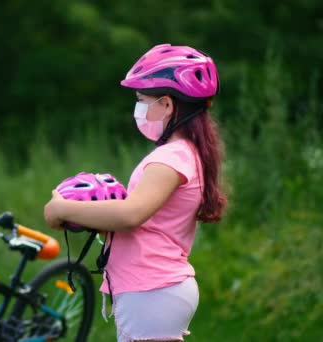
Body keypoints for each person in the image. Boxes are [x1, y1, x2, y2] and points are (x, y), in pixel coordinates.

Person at [44, 44, 227, 342]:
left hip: (152, 290)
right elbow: (144, 220)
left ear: (167, 105)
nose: (139, 108)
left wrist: (61, 209)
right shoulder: (187, 153)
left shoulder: (171, 158)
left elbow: (131, 214)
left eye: (143, 100)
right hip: (154, 290)